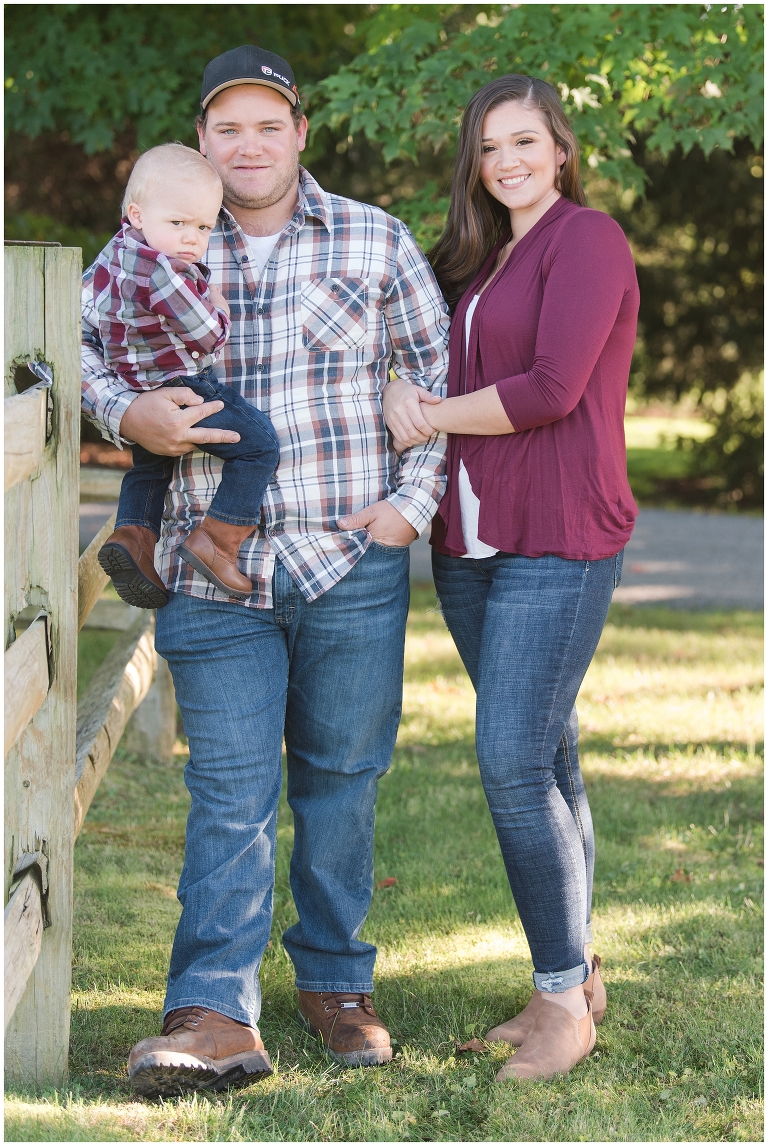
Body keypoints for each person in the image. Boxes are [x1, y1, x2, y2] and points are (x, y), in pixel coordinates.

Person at [81, 45, 449, 1098]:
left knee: (342, 783)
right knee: (230, 793)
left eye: (268, 125)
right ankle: (212, 1011)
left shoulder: (374, 238)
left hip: (348, 564)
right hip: (209, 576)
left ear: (299, 133)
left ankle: (336, 981)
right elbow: (88, 350)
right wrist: (129, 413)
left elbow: (436, 374)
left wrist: (409, 509)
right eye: (227, 127)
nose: (248, 145)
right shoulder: (154, 239)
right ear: (202, 138)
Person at [382, 74, 639, 1082]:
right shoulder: (479, 259)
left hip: (559, 537)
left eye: (524, 141)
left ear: (561, 149)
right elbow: (426, 359)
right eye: (489, 147)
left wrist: (428, 415)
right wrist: (403, 390)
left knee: (510, 760)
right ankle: (576, 979)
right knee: (549, 754)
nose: (506, 162)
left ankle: (561, 1000)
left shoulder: (588, 240)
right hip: (472, 547)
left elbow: (551, 389)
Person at [93, 142, 280, 605]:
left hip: (137, 392)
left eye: (203, 227)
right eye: (178, 223)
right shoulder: (164, 271)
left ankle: (132, 537)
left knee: (150, 467)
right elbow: (208, 337)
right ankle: (217, 541)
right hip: (184, 387)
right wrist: (218, 306)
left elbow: (89, 318)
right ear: (137, 214)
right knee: (259, 445)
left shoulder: (113, 255)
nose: (192, 239)